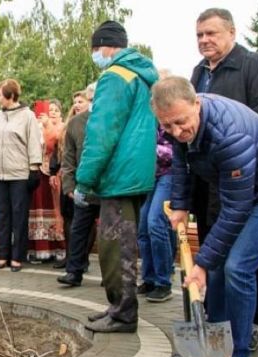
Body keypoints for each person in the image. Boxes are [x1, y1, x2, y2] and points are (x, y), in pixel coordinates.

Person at [158, 77, 258, 357]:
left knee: (237, 267)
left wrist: (201, 264)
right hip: (244, 188)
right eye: (167, 126)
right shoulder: (178, 122)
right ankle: (216, 342)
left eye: (181, 122)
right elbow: (182, 161)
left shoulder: (229, 134)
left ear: (196, 104)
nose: (176, 131)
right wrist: (181, 204)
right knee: (217, 264)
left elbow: (237, 209)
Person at [190, 7, 258, 351]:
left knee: (243, 258)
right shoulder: (199, 73)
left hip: (244, 177)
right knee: (213, 250)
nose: (204, 40)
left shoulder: (253, 66)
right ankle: (218, 322)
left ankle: (253, 321)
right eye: (199, 35)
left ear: (231, 32)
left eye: (211, 33)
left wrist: (237, 157)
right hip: (209, 180)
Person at [75, 21, 158, 333]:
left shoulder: (115, 76)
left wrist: (84, 179)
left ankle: (123, 313)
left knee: (114, 247)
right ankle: (117, 305)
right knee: (123, 243)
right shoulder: (142, 75)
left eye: (96, 49)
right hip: (135, 172)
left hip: (119, 175)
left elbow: (102, 132)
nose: (95, 55)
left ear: (105, 46)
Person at [0, 79, 42, 272]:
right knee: (1, 216)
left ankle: (17, 256)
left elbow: (34, 142)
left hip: (19, 174)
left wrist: (34, 169)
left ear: (11, 95)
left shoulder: (28, 116)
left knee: (19, 216)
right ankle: (3, 255)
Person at [57, 85, 100, 287]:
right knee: (78, 229)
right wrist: (68, 186)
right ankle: (74, 271)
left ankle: (111, 276)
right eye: (90, 99)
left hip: (108, 187)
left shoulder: (113, 119)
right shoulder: (75, 123)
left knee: (110, 234)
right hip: (83, 187)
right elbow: (68, 157)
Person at [136, 126, 176, 303]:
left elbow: (175, 153)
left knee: (155, 222)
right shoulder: (143, 120)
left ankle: (163, 282)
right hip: (149, 177)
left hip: (168, 174)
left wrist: (147, 148)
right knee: (143, 228)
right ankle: (149, 279)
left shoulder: (167, 120)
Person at [28, 100, 65, 263]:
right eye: (50, 110)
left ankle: (59, 247)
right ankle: (40, 247)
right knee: (39, 209)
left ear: (61, 113)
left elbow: (53, 143)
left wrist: (48, 125)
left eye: (56, 110)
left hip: (57, 174)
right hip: (39, 173)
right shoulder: (38, 127)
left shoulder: (62, 127)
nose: (53, 113)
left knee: (57, 210)